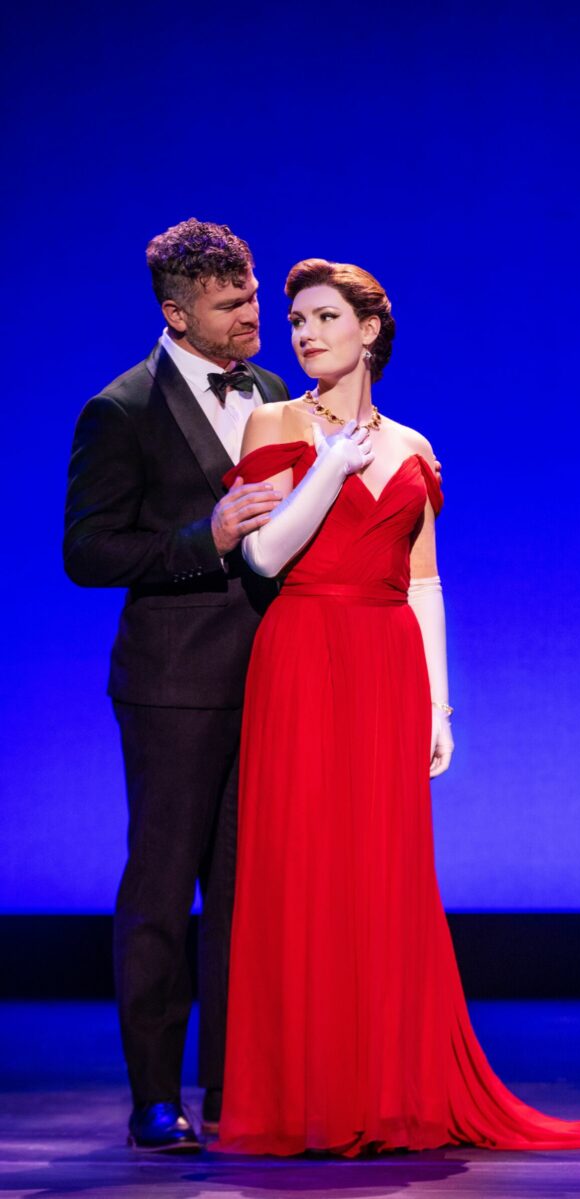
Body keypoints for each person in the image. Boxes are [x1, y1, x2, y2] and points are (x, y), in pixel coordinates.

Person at [215, 258, 580, 1155]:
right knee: (303, 867)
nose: (304, 334)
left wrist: (440, 706)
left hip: (384, 661)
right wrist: (327, 471)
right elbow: (264, 559)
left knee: (380, 875)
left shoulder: (412, 448)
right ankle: (308, 1095)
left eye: (323, 318)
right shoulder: (272, 421)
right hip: (301, 656)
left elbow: (424, 583)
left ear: (370, 332)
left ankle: (384, 1089)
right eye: (295, 320)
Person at [63, 219, 290, 1153]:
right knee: (163, 888)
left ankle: (238, 1087)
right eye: (230, 303)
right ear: (176, 312)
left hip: (273, 677)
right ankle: (155, 1096)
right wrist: (210, 538)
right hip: (173, 686)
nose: (251, 315)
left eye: (250, 296)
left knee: (245, 893)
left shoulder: (275, 394)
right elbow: (86, 550)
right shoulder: (121, 411)